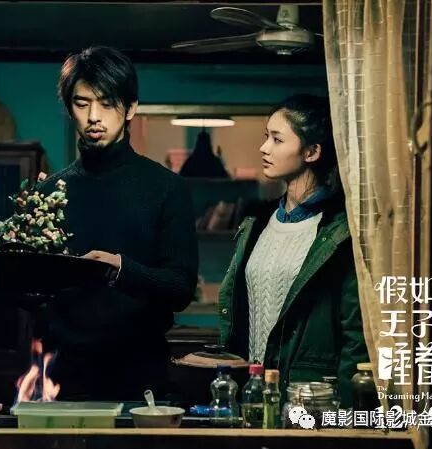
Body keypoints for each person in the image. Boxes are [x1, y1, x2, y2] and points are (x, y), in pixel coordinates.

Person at [27, 46, 198, 401]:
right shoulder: (48, 192)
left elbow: (181, 288)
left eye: (107, 104)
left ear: (131, 108)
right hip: (61, 378)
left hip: (139, 375)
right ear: (69, 108)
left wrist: (120, 269)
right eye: (82, 103)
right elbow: (34, 295)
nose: (94, 116)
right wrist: (15, 266)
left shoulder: (167, 188)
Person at [218, 94, 368, 407]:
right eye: (266, 137)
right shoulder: (256, 224)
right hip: (252, 392)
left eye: (277, 139)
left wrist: (345, 407)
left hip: (310, 396)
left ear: (311, 152)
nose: (264, 148)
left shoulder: (339, 232)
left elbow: (355, 333)